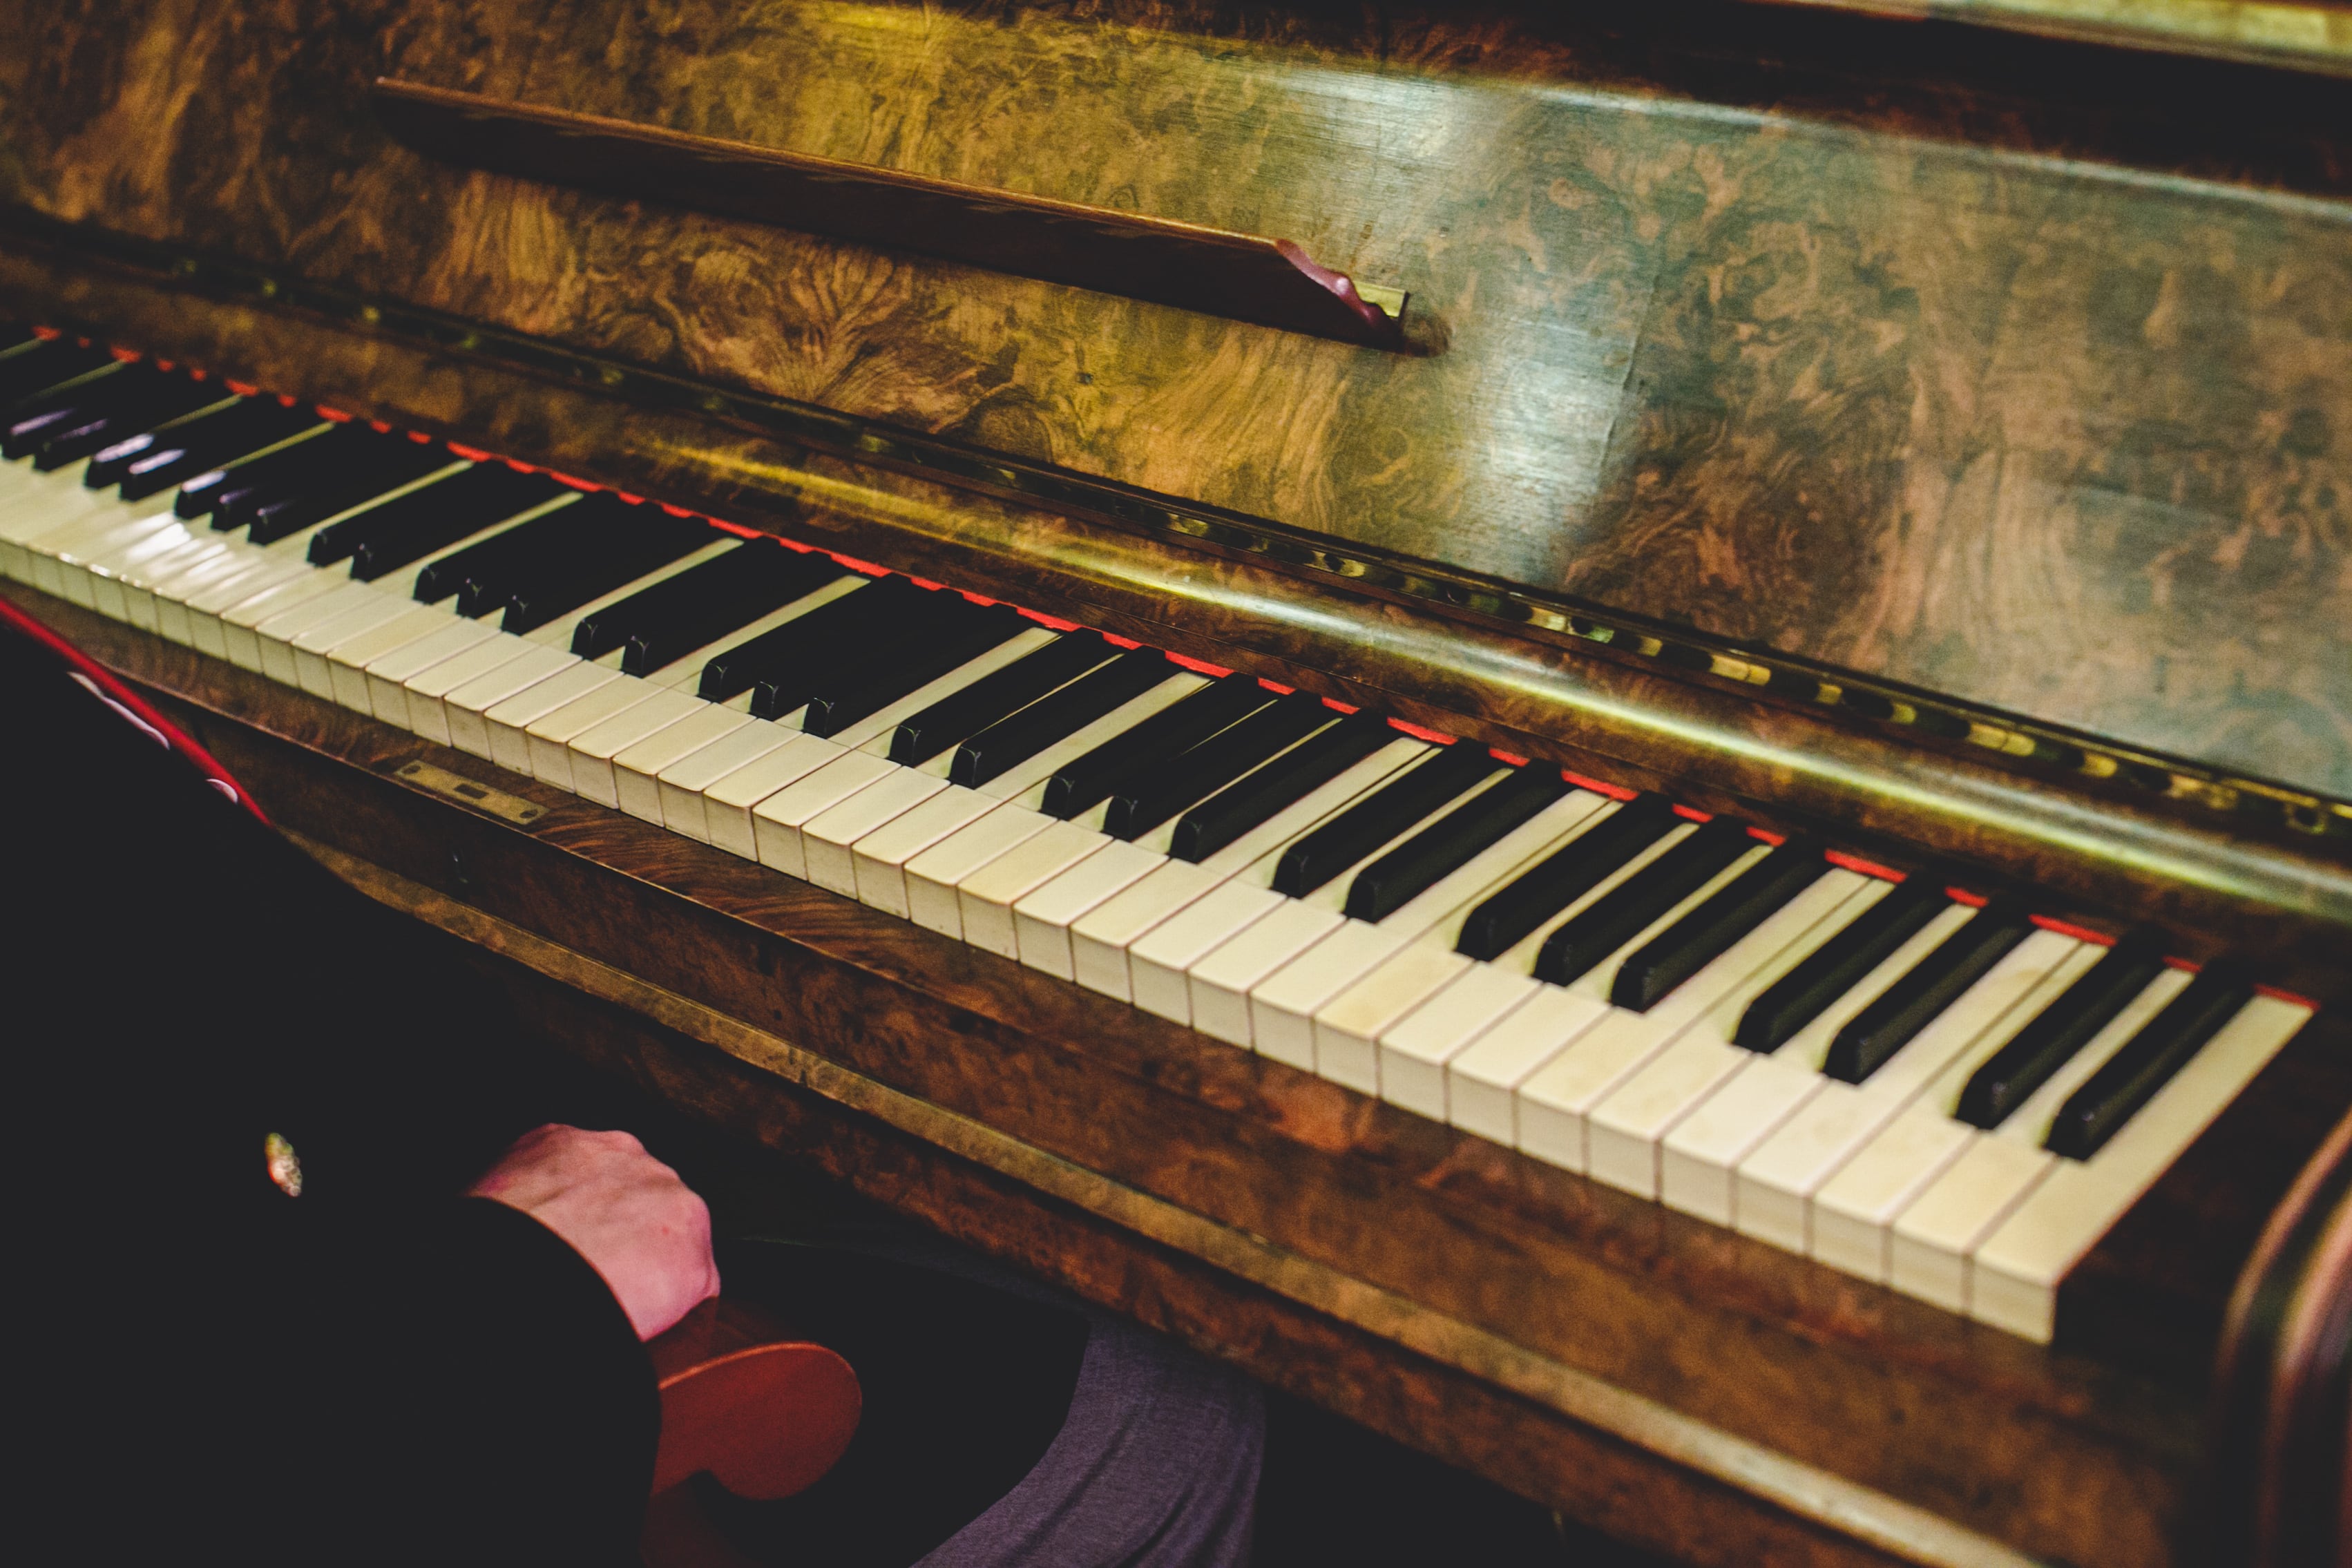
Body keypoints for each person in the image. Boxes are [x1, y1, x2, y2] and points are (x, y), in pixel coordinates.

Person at [5, 595, 1261, 1565]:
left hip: (361, 1152)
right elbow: (142, 1454)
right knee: (1168, 1418)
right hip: (397, 1360)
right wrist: (519, 1281)